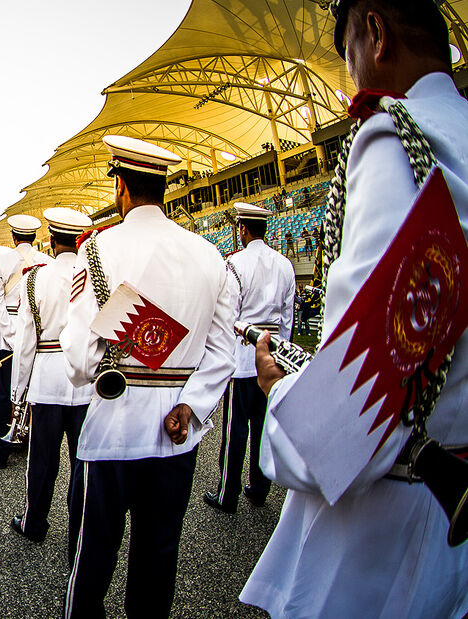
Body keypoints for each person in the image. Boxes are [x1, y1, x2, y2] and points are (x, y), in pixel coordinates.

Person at [241, 2, 468, 616]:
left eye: (347, 56)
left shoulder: (396, 138)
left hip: (392, 527)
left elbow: (354, 421)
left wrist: (281, 396)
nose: (351, 75)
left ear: (375, 32)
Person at [61, 135, 235, 617]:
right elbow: (224, 351)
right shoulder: (210, 255)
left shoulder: (99, 251)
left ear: (120, 186)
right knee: (157, 566)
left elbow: (77, 358)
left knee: (92, 561)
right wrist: (192, 406)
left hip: (115, 428)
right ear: (164, 187)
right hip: (178, 434)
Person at [8, 207, 94, 543]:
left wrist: (19, 393)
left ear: (52, 239)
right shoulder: (94, 276)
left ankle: (34, 522)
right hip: (86, 379)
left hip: (46, 377)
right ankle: (81, 524)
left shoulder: (35, 278)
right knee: (82, 459)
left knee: (42, 458)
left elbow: (25, 343)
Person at [204, 203, 295, 514]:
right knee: (262, 425)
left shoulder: (235, 263)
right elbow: (288, 316)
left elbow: (229, 315)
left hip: (243, 355)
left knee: (235, 430)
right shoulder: (285, 264)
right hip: (272, 355)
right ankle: (259, 487)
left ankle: (226, 494)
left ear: (242, 229)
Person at [0, 215, 48, 468]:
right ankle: (28, 442)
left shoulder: (1, 261)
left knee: (3, 393)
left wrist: (11, 335)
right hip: (37, 330)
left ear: (13, 237)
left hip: (7, 329)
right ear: (34, 237)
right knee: (34, 391)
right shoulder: (47, 261)